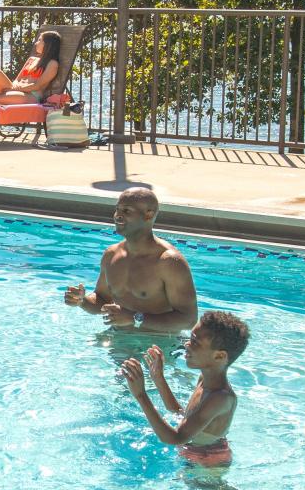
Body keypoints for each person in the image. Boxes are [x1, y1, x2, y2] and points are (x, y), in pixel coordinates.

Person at [120, 311, 250, 467]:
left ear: (219, 356)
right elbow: (181, 414)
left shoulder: (220, 397)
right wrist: (159, 379)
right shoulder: (204, 380)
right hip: (193, 454)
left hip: (209, 462)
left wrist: (141, 395)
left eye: (195, 342)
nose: (187, 344)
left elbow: (174, 438)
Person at [64, 187, 199, 333]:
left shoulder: (168, 262)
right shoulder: (111, 255)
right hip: (116, 341)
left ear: (149, 215)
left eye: (127, 211)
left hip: (157, 347)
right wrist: (82, 301)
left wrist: (135, 318)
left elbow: (189, 320)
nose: (118, 216)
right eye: (117, 210)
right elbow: (102, 299)